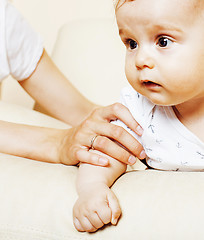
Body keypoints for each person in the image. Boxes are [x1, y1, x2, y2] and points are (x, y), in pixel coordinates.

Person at [73, 0, 204, 232]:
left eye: (163, 41)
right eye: (131, 43)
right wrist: (92, 189)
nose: (141, 59)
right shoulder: (138, 110)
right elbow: (106, 154)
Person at [0, 0, 146, 166]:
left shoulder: (5, 20)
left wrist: (145, 128)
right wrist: (58, 143)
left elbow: (80, 111)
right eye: (131, 44)